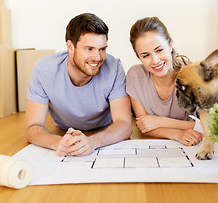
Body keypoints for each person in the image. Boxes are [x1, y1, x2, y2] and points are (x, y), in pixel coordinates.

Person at [25, 13, 132, 156]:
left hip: (103, 130)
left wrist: (93, 142)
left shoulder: (114, 67)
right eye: (89, 49)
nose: (97, 58)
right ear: (70, 47)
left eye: (102, 49)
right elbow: (32, 126)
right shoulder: (43, 70)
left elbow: (124, 124)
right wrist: (58, 143)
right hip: (63, 130)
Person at [126, 16, 203, 146]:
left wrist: (160, 121)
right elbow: (145, 127)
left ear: (170, 44)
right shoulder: (135, 76)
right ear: (138, 57)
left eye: (159, 50)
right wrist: (177, 134)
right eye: (145, 55)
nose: (155, 60)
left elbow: (209, 127)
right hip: (163, 143)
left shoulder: (192, 77)